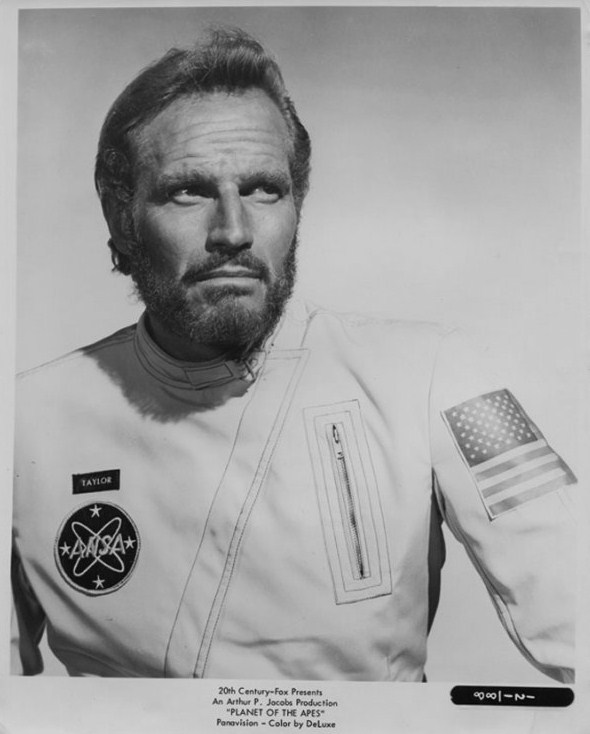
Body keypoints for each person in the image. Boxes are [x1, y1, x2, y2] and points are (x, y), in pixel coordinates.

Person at [11, 27, 577, 681]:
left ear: (296, 206)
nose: (233, 231)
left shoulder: (437, 375)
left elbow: (576, 613)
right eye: (188, 191)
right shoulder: (24, 421)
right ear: (121, 219)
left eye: (264, 189)